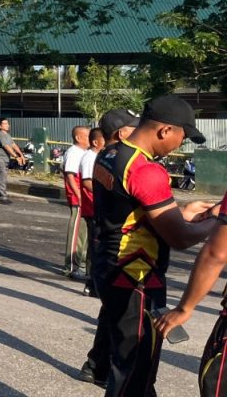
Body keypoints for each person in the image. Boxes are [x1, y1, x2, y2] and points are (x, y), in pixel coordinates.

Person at [74, 96, 213, 393]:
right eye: (182, 136)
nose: (181, 144)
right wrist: (218, 220)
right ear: (165, 131)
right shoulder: (146, 170)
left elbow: (129, 211)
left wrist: (183, 214)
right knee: (134, 371)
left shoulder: (109, 155)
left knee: (125, 363)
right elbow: (180, 238)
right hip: (136, 275)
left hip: (108, 266)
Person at [78, 126, 106, 297]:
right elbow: (87, 182)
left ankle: (93, 282)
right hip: (92, 206)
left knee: (96, 246)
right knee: (96, 247)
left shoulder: (98, 157)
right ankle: (92, 283)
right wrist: (104, 193)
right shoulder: (90, 157)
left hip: (97, 206)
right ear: (96, 142)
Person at [62, 125, 91, 280]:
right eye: (88, 136)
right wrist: (79, 194)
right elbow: (70, 176)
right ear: (79, 138)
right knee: (76, 234)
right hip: (78, 198)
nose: (91, 140)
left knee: (84, 235)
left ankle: (81, 264)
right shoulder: (74, 152)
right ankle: (71, 267)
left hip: (85, 199)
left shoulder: (85, 153)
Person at [0, 118, 25, 205]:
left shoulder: (7, 135)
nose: (7, 125)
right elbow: (7, 147)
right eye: (5, 124)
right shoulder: (1, 135)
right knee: (2, 178)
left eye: (7, 123)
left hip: (4, 160)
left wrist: (21, 154)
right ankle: (3, 197)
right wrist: (16, 156)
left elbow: (13, 145)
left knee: (0, 178)